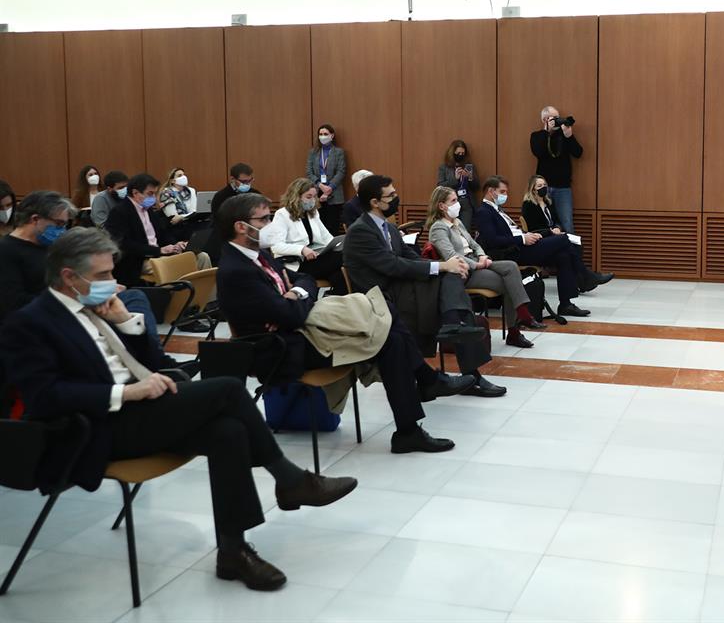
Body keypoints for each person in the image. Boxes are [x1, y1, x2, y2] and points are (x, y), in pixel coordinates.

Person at [1, 227, 359, 591]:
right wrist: (126, 393)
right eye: (103, 275)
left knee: (228, 432)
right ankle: (291, 480)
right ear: (68, 277)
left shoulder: (101, 307)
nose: (113, 282)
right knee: (230, 390)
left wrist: (126, 322)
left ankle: (233, 551)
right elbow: (45, 397)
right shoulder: (31, 322)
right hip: (95, 428)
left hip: (139, 411)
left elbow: (156, 362)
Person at [214, 192, 473, 453]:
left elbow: (305, 279)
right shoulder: (236, 270)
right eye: (264, 219)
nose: (270, 224)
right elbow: (291, 314)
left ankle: (411, 424)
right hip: (279, 349)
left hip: (298, 332)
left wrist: (294, 295)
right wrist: (293, 300)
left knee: (390, 334)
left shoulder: (257, 255)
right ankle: (422, 393)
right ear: (240, 226)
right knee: (387, 331)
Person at [344, 175, 506, 398]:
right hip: (381, 295)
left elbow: (410, 255)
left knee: (450, 275)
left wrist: (445, 266)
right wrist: (440, 266)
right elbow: (393, 266)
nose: (396, 198)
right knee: (447, 276)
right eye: (390, 195)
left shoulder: (388, 228)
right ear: (375, 202)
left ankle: (456, 329)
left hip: (403, 287)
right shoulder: (360, 230)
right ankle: (465, 354)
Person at [0, 191, 177, 358]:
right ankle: (156, 361)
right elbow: (14, 304)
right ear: (35, 219)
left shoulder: (52, 245)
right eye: (59, 224)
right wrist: (81, 297)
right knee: (133, 299)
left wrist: (98, 288)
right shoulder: (7, 251)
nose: (62, 230)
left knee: (134, 297)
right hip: (52, 313)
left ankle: (153, 358)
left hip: (75, 303)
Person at [426, 186, 546, 349]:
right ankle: (515, 329)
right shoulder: (438, 228)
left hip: (478, 261)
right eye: (453, 201)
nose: (458, 204)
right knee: (510, 283)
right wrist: (477, 264)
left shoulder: (457, 222)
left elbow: (474, 244)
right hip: (465, 270)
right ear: (442, 206)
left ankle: (521, 319)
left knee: (511, 268)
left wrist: (482, 256)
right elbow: (452, 256)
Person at [475, 176, 607, 318]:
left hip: (522, 243)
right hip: (512, 252)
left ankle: (566, 304)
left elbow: (512, 231)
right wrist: (523, 238)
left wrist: (528, 235)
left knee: (564, 255)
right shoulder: (484, 211)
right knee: (565, 239)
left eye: (506, 192)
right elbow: (493, 240)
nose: (505, 195)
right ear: (490, 191)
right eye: (502, 192)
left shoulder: (497, 209)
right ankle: (586, 276)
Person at [104, 173, 210, 288]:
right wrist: (159, 251)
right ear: (135, 193)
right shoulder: (119, 212)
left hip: (159, 254)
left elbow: (162, 233)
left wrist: (175, 244)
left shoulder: (148, 210)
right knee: (172, 266)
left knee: (202, 257)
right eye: (150, 194)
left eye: (154, 194)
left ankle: (204, 299)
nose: (153, 198)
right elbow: (124, 244)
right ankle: (175, 302)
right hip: (139, 260)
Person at [264, 177, 347, 294]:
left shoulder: (313, 213)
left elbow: (327, 238)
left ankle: (334, 304)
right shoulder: (282, 214)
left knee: (340, 275)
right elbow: (276, 246)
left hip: (315, 259)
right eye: (309, 197)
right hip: (297, 263)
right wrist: (302, 249)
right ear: (296, 196)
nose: (313, 200)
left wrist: (338, 244)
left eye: (314, 196)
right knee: (342, 257)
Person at [530, 106, 582, 233]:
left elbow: (578, 153)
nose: (557, 121)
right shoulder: (537, 136)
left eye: (558, 118)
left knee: (567, 223)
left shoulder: (564, 136)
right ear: (544, 120)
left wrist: (569, 136)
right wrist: (547, 131)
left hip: (563, 187)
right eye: (554, 118)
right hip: (543, 188)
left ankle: (571, 251)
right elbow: (538, 152)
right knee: (544, 223)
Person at [306, 124, 346, 236]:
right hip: (317, 193)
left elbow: (341, 171)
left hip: (335, 194)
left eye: (325, 134)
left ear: (332, 135)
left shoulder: (339, 152)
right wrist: (320, 185)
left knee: (333, 228)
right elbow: (309, 172)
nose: (323, 136)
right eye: (321, 134)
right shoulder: (313, 152)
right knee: (318, 228)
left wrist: (329, 188)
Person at [436, 140, 478, 234]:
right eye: (458, 153)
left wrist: (470, 178)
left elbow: (476, 187)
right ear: (452, 153)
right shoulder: (444, 167)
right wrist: (455, 179)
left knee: (465, 231)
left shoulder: (469, 166)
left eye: (463, 153)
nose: (460, 155)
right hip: (451, 204)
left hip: (466, 203)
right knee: (452, 231)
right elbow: (440, 187)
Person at [158, 166, 204, 240]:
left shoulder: (191, 191)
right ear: (172, 181)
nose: (184, 177)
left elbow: (194, 211)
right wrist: (188, 216)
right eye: (179, 175)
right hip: (177, 229)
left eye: (184, 174)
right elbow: (173, 218)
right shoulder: (167, 193)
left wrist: (182, 217)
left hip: (191, 224)